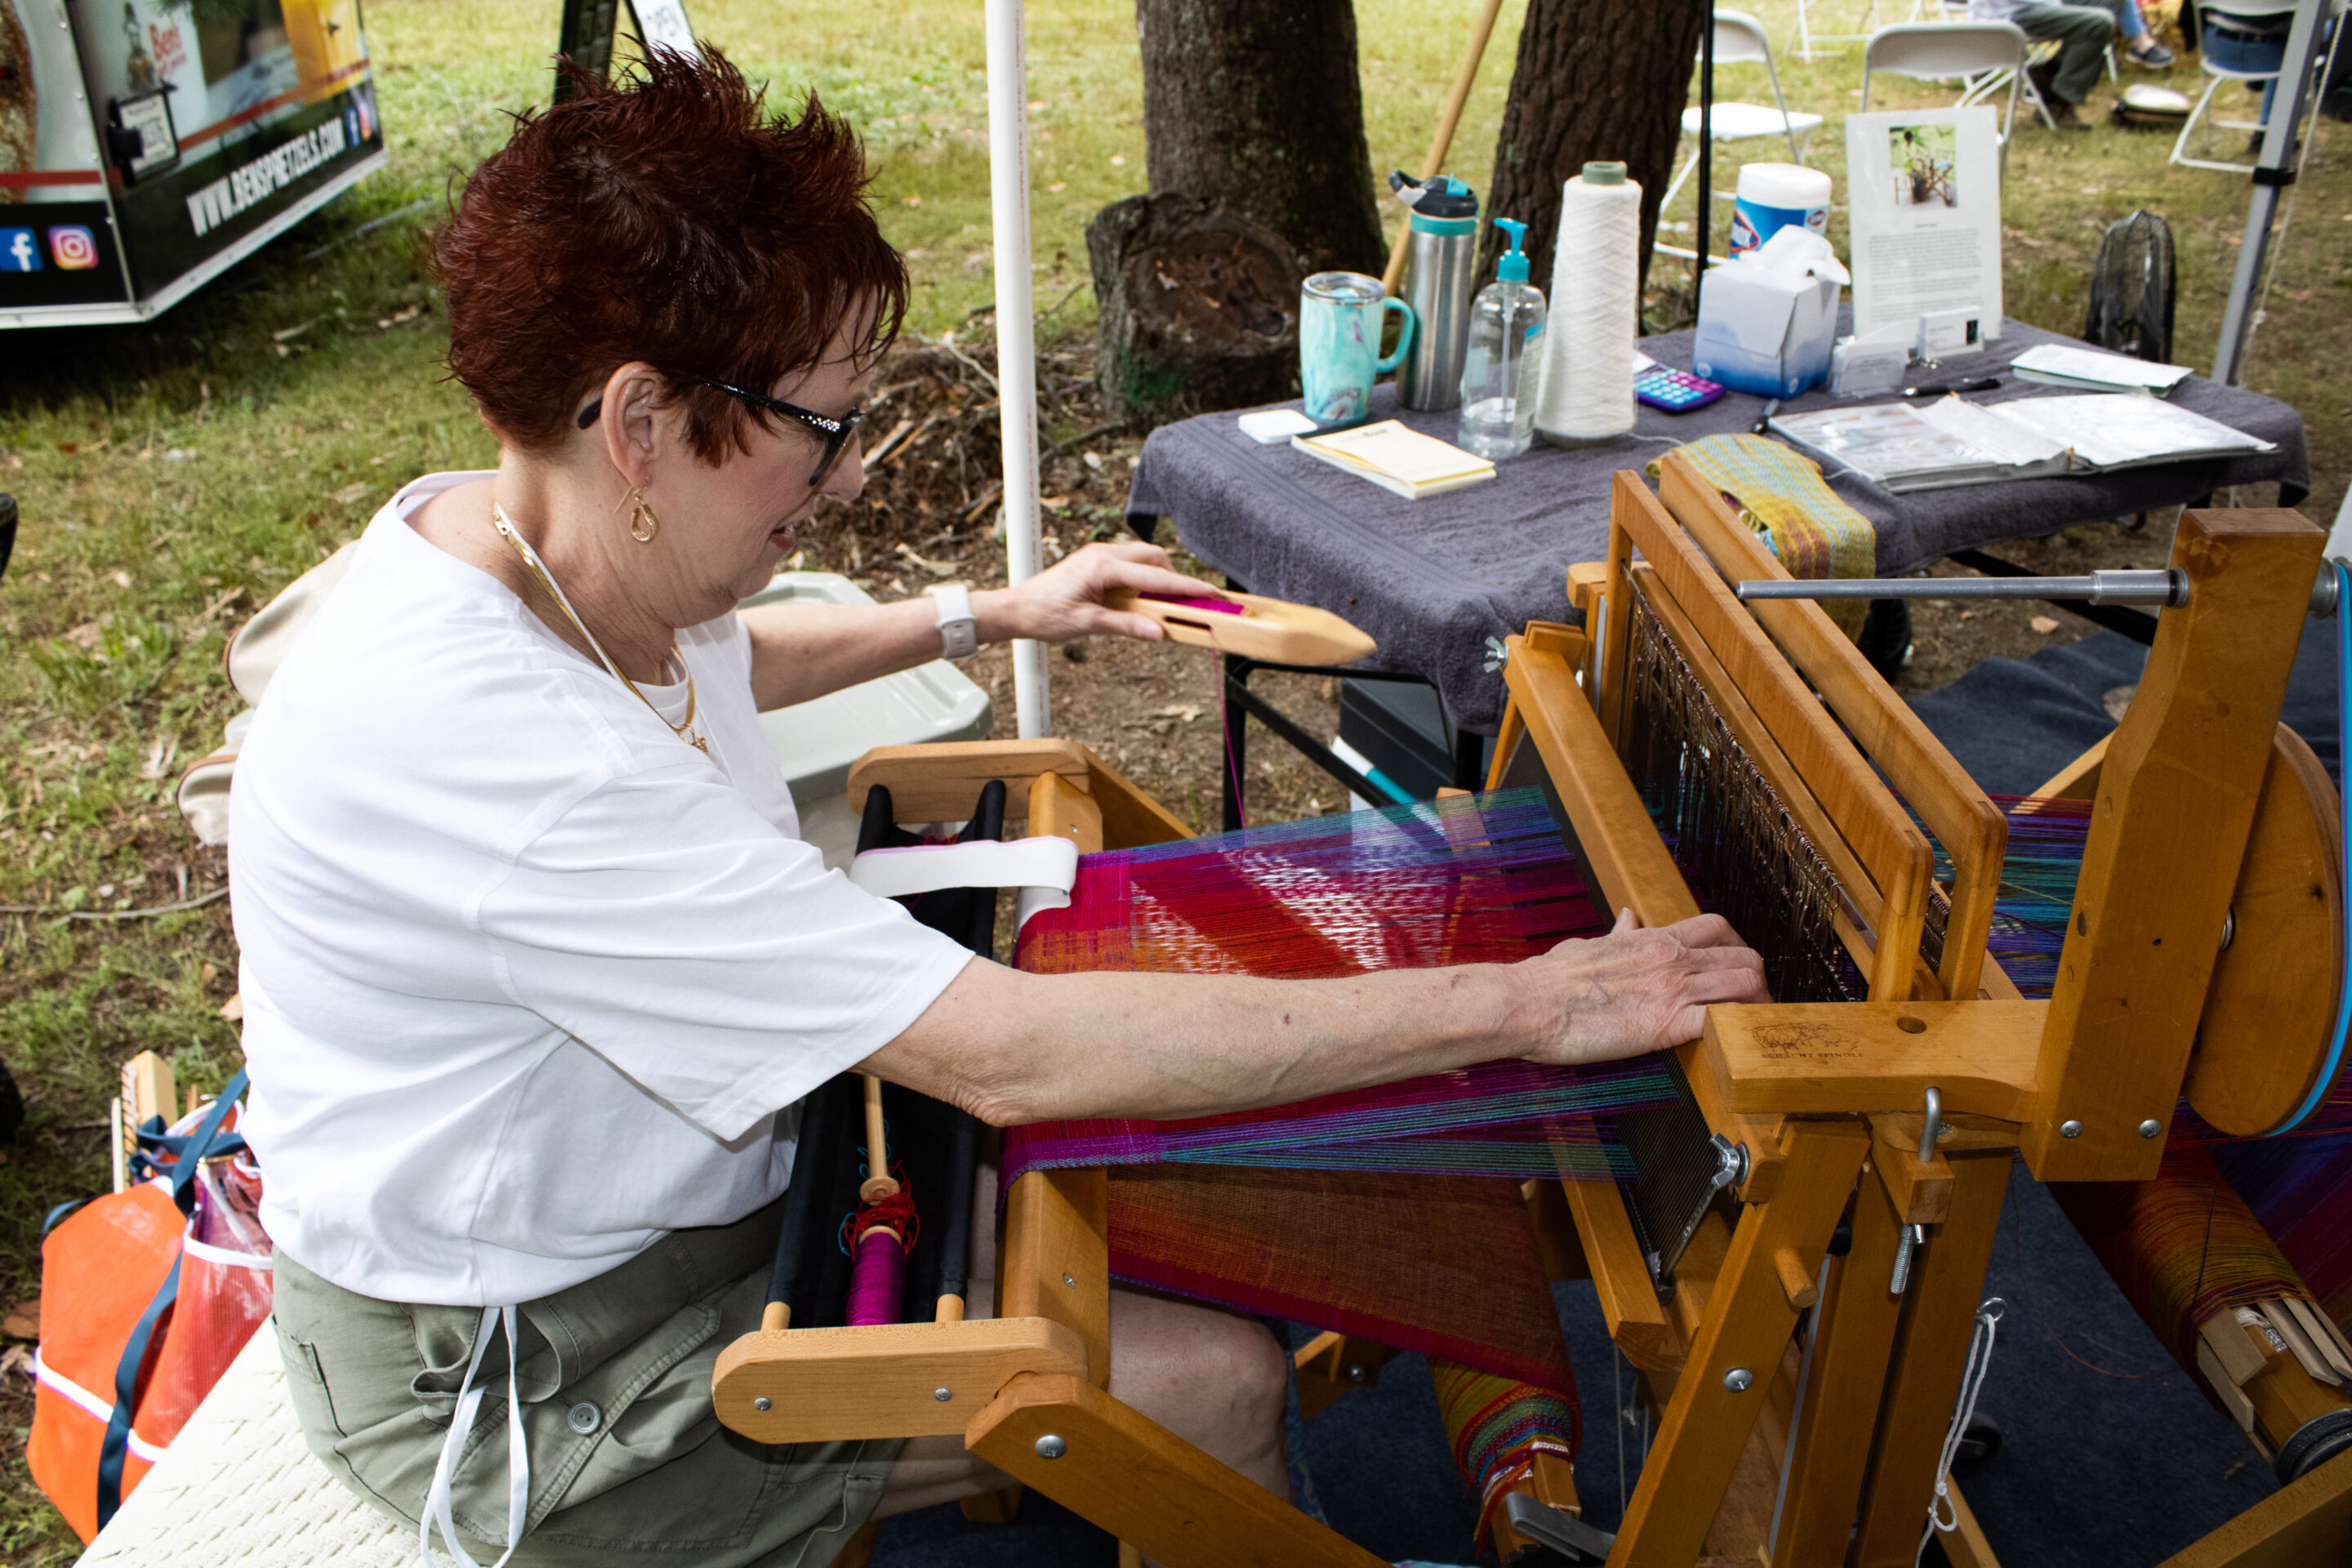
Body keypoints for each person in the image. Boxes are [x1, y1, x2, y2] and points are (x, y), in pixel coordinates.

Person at [230, 47, 1768, 1568]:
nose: (838, 487)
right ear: (639, 422)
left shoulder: (513, 526)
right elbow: (1010, 1059)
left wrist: (994, 613)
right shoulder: (511, 768)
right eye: (820, 430)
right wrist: (1525, 1004)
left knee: (1195, 1182)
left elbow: (712, 654)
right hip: (534, 1381)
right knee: (1212, 1384)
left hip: (701, 1209)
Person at [1970, 0, 2174, 129]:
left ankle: (2048, 73)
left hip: (2041, 5)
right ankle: (2059, 100)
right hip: (2013, 12)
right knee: (2099, 23)